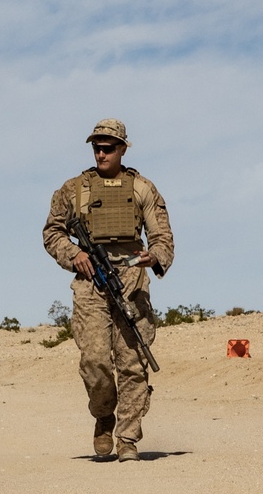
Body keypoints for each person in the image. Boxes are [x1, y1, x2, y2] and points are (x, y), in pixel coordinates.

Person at [42, 119, 174, 462]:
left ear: (123, 149)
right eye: (96, 147)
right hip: (90, 280)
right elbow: (52, 232)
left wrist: (153, 257)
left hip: (131, 278)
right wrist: (75, 254)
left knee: (133, 363)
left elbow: (162, 237)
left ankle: (128, 437)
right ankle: (103, 414)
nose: (101, 153)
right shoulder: (74, 189)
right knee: (95, 360)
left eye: (108, 147)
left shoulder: (143, 188)